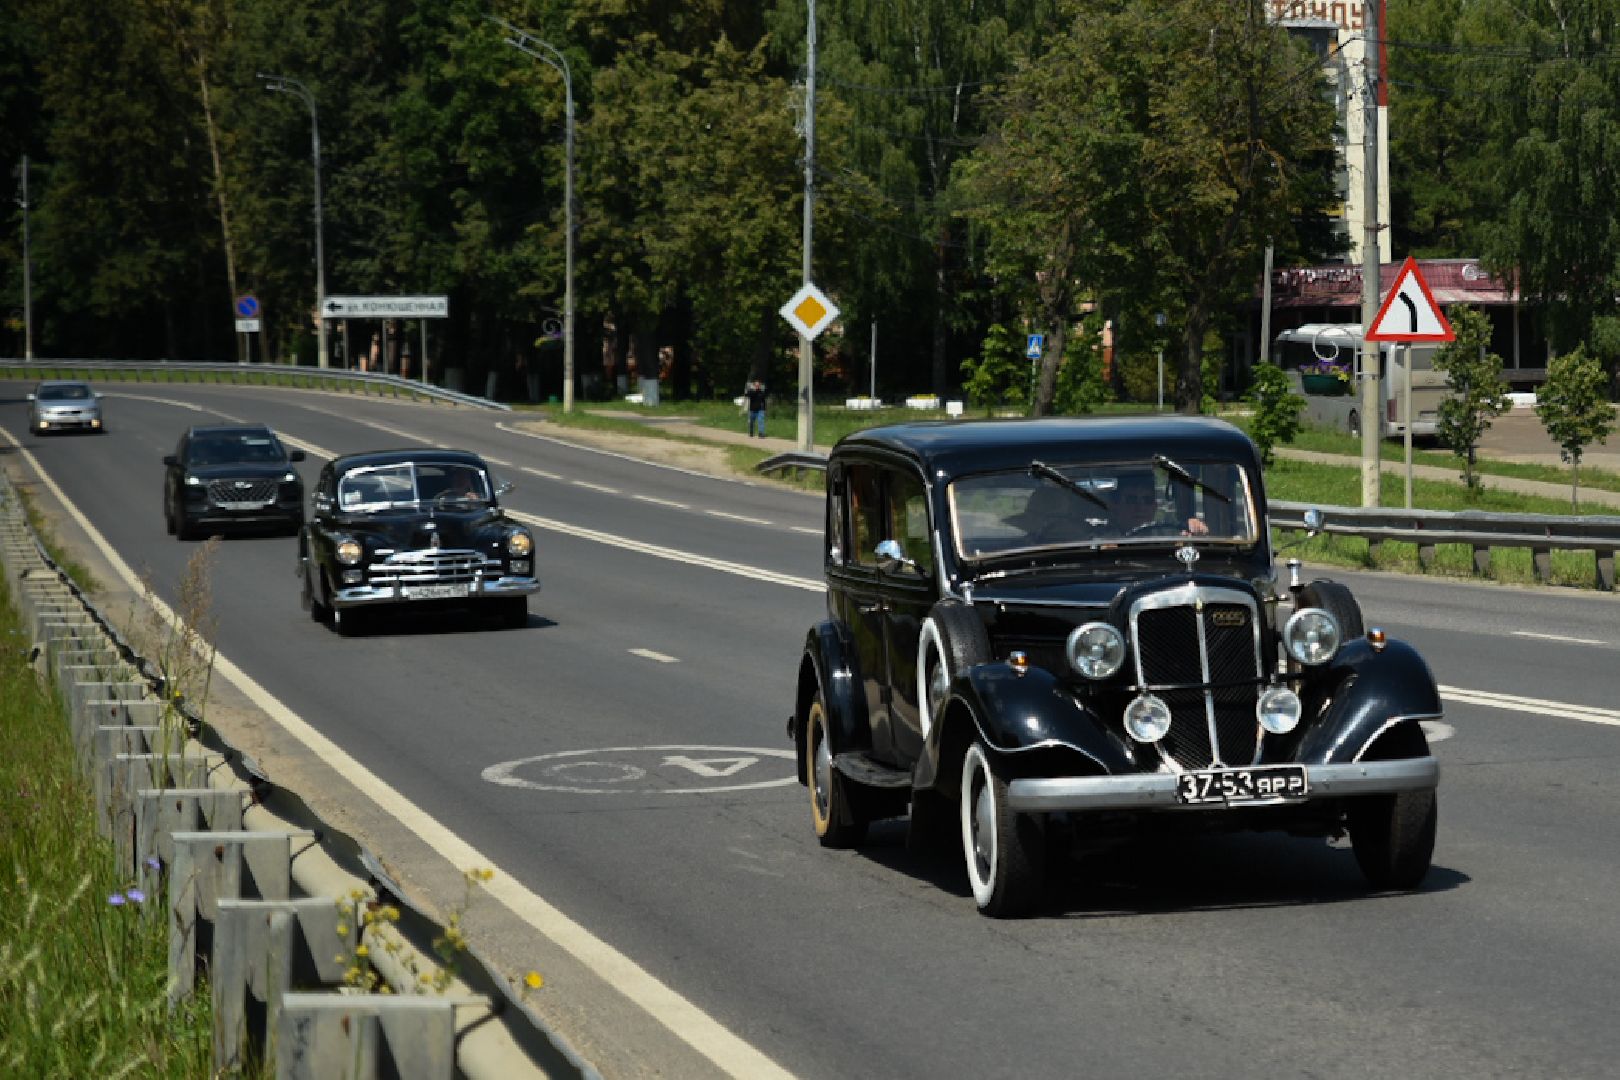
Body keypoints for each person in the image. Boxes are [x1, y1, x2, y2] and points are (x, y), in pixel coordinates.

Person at [1110, 472, 1208, 537]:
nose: (1140, 507)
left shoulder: (1169, 536)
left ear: (1154, 507)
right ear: (1115, 507)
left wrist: (1196, 530)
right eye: (1131, 500)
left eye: (1147, 500)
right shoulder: (1103, 541)